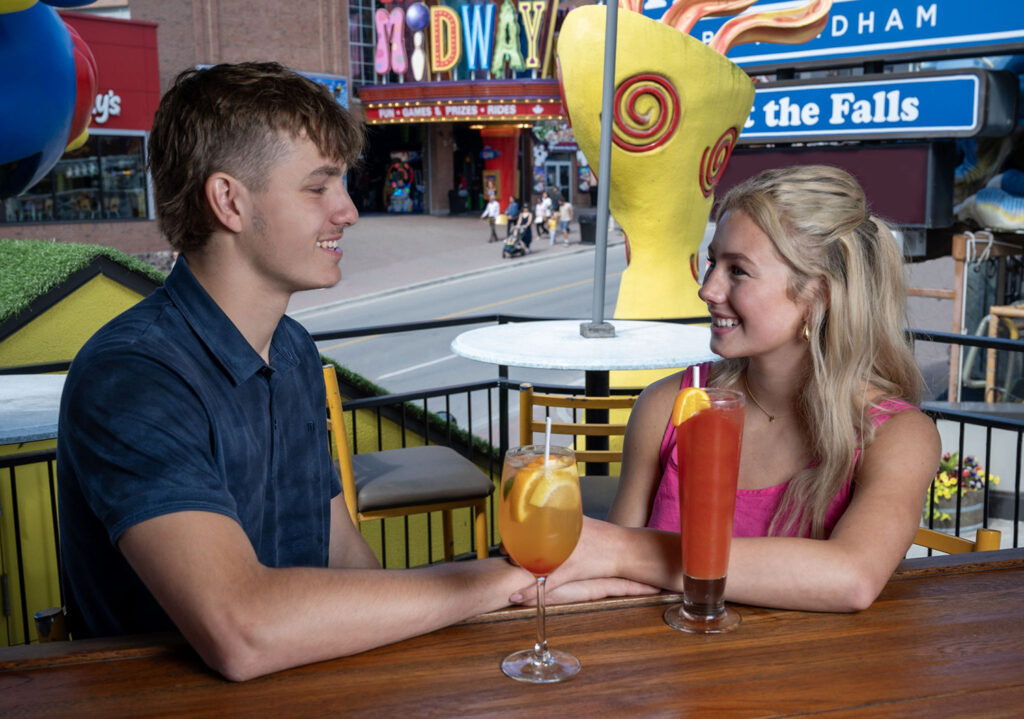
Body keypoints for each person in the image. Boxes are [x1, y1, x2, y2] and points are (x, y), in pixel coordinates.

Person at [56, 62, 532, 682]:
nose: (349, 211)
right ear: (228, 200)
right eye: (318, 187)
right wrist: (492, 580)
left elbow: (341, 554)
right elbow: (241, 629)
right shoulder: (133, 377)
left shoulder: (293, 350)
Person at [516, 165, 941, 613]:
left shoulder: (897, 435)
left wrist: (625, 551)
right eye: (712, 262)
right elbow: (612, 586)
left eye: (738, 270)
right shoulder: (669, 406)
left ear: (819, 296)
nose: (707, 289)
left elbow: (851, 578)